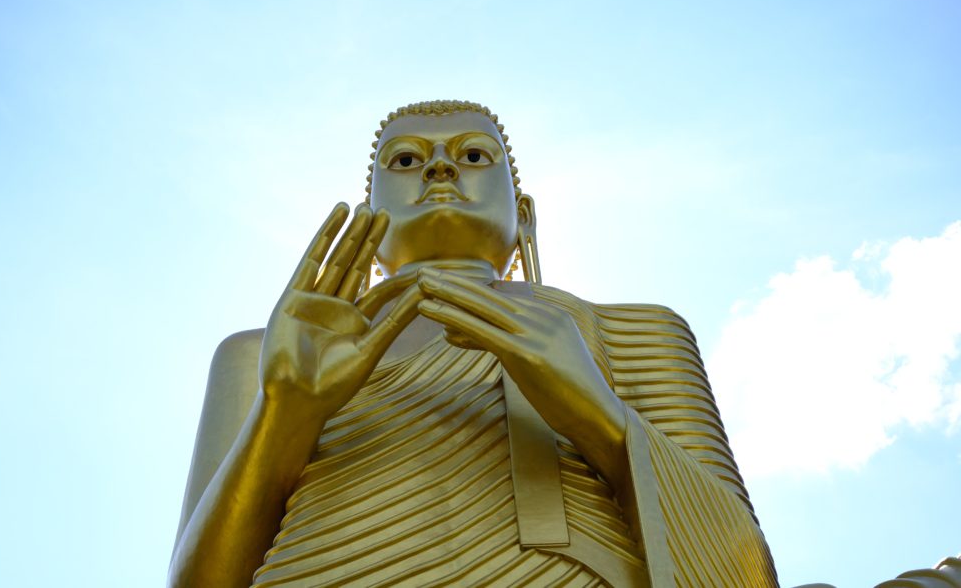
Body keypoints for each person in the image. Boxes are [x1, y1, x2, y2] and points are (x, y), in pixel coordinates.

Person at [169, 100, 778, 587]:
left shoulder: (632, 330)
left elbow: (740, 563)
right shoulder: (263, 354)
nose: (439, 168)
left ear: (526, 217)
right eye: (405, 161)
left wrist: (599, 417)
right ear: (368, 218)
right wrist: (285, 412)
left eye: (474, 155)